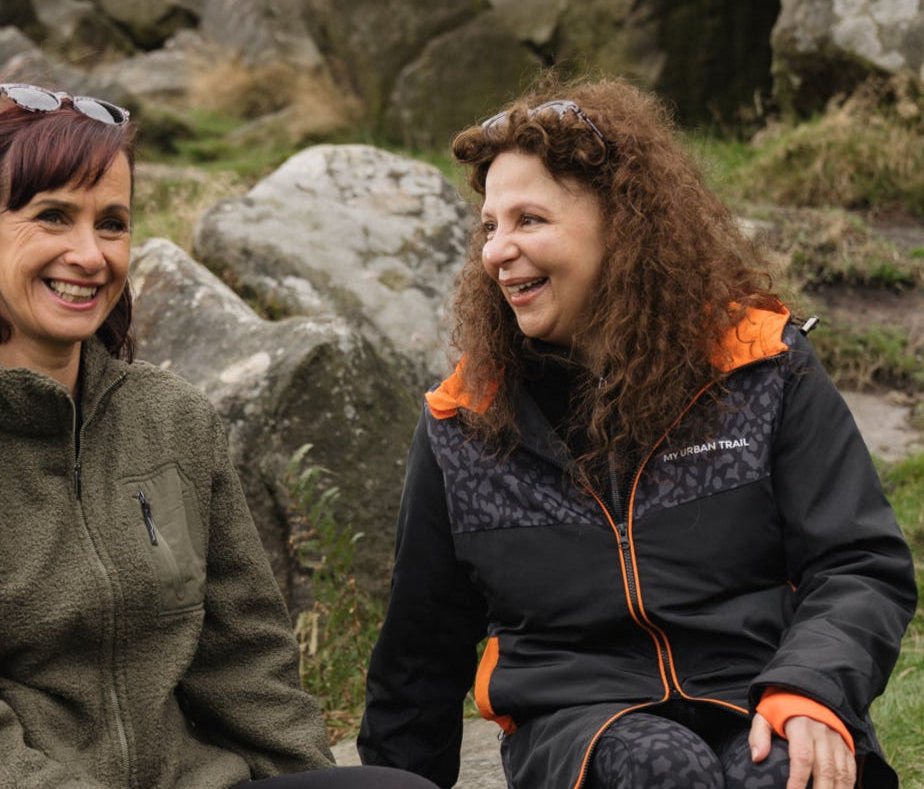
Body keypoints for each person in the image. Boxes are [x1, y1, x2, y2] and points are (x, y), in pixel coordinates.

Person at [0, 82, 438, 789]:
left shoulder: (173, 423)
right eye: (53, 217)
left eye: (111, 224)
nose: (89, 254)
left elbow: (246, 662)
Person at [356, 74, 918, 789]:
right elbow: (420, 652)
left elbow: (859, 562)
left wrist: (813, 687)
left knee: (772, 772)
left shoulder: (760, 366)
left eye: (529, 219)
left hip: (763, 687)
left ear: (622, 222)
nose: (497, 250)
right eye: (489, 226)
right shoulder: (466, 420)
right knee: (662, 768)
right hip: (579, 721)